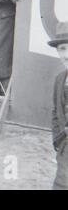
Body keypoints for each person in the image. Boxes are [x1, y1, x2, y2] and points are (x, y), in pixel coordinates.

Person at [48, 22, 68, 190]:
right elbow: (56, 112)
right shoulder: (60, 80)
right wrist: (58, 141)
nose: (66, 55)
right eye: (62, 48)